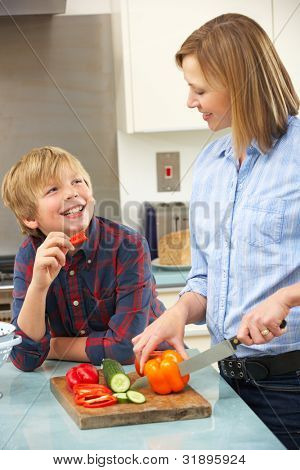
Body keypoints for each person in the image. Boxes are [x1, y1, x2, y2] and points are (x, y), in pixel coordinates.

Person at [132, 13, 300, 449]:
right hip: (225, 382)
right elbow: (206, 277)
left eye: (200, 89)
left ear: (240, 85)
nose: (190, 101)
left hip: (292, 386)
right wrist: (178, 313)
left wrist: (287, 297)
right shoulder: (211, 164)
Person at [1, 146, 167, 372]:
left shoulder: (129, 245)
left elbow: (126, 348)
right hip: (76, 376)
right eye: (52, 189)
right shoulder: (30, 254)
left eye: (77, 181)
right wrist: (38, 287)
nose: (71, 193)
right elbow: (25, 357)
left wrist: (53, 346)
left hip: (153, 367)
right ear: (30, 217)